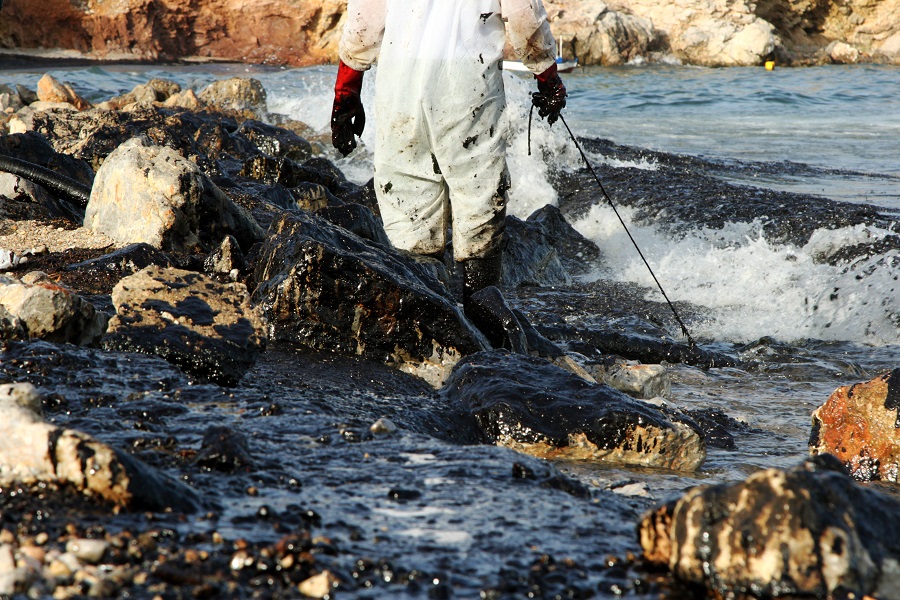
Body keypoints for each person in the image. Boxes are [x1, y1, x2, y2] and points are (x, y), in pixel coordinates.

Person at [331, 0, 566, 312]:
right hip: (467, 80)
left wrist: (345, 93)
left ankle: (423, 329)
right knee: (478, 197)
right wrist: (548, 77)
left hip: (399, 81)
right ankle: (482, 324)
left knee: (408, 206)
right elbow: (524, 17)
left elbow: (364, 23)